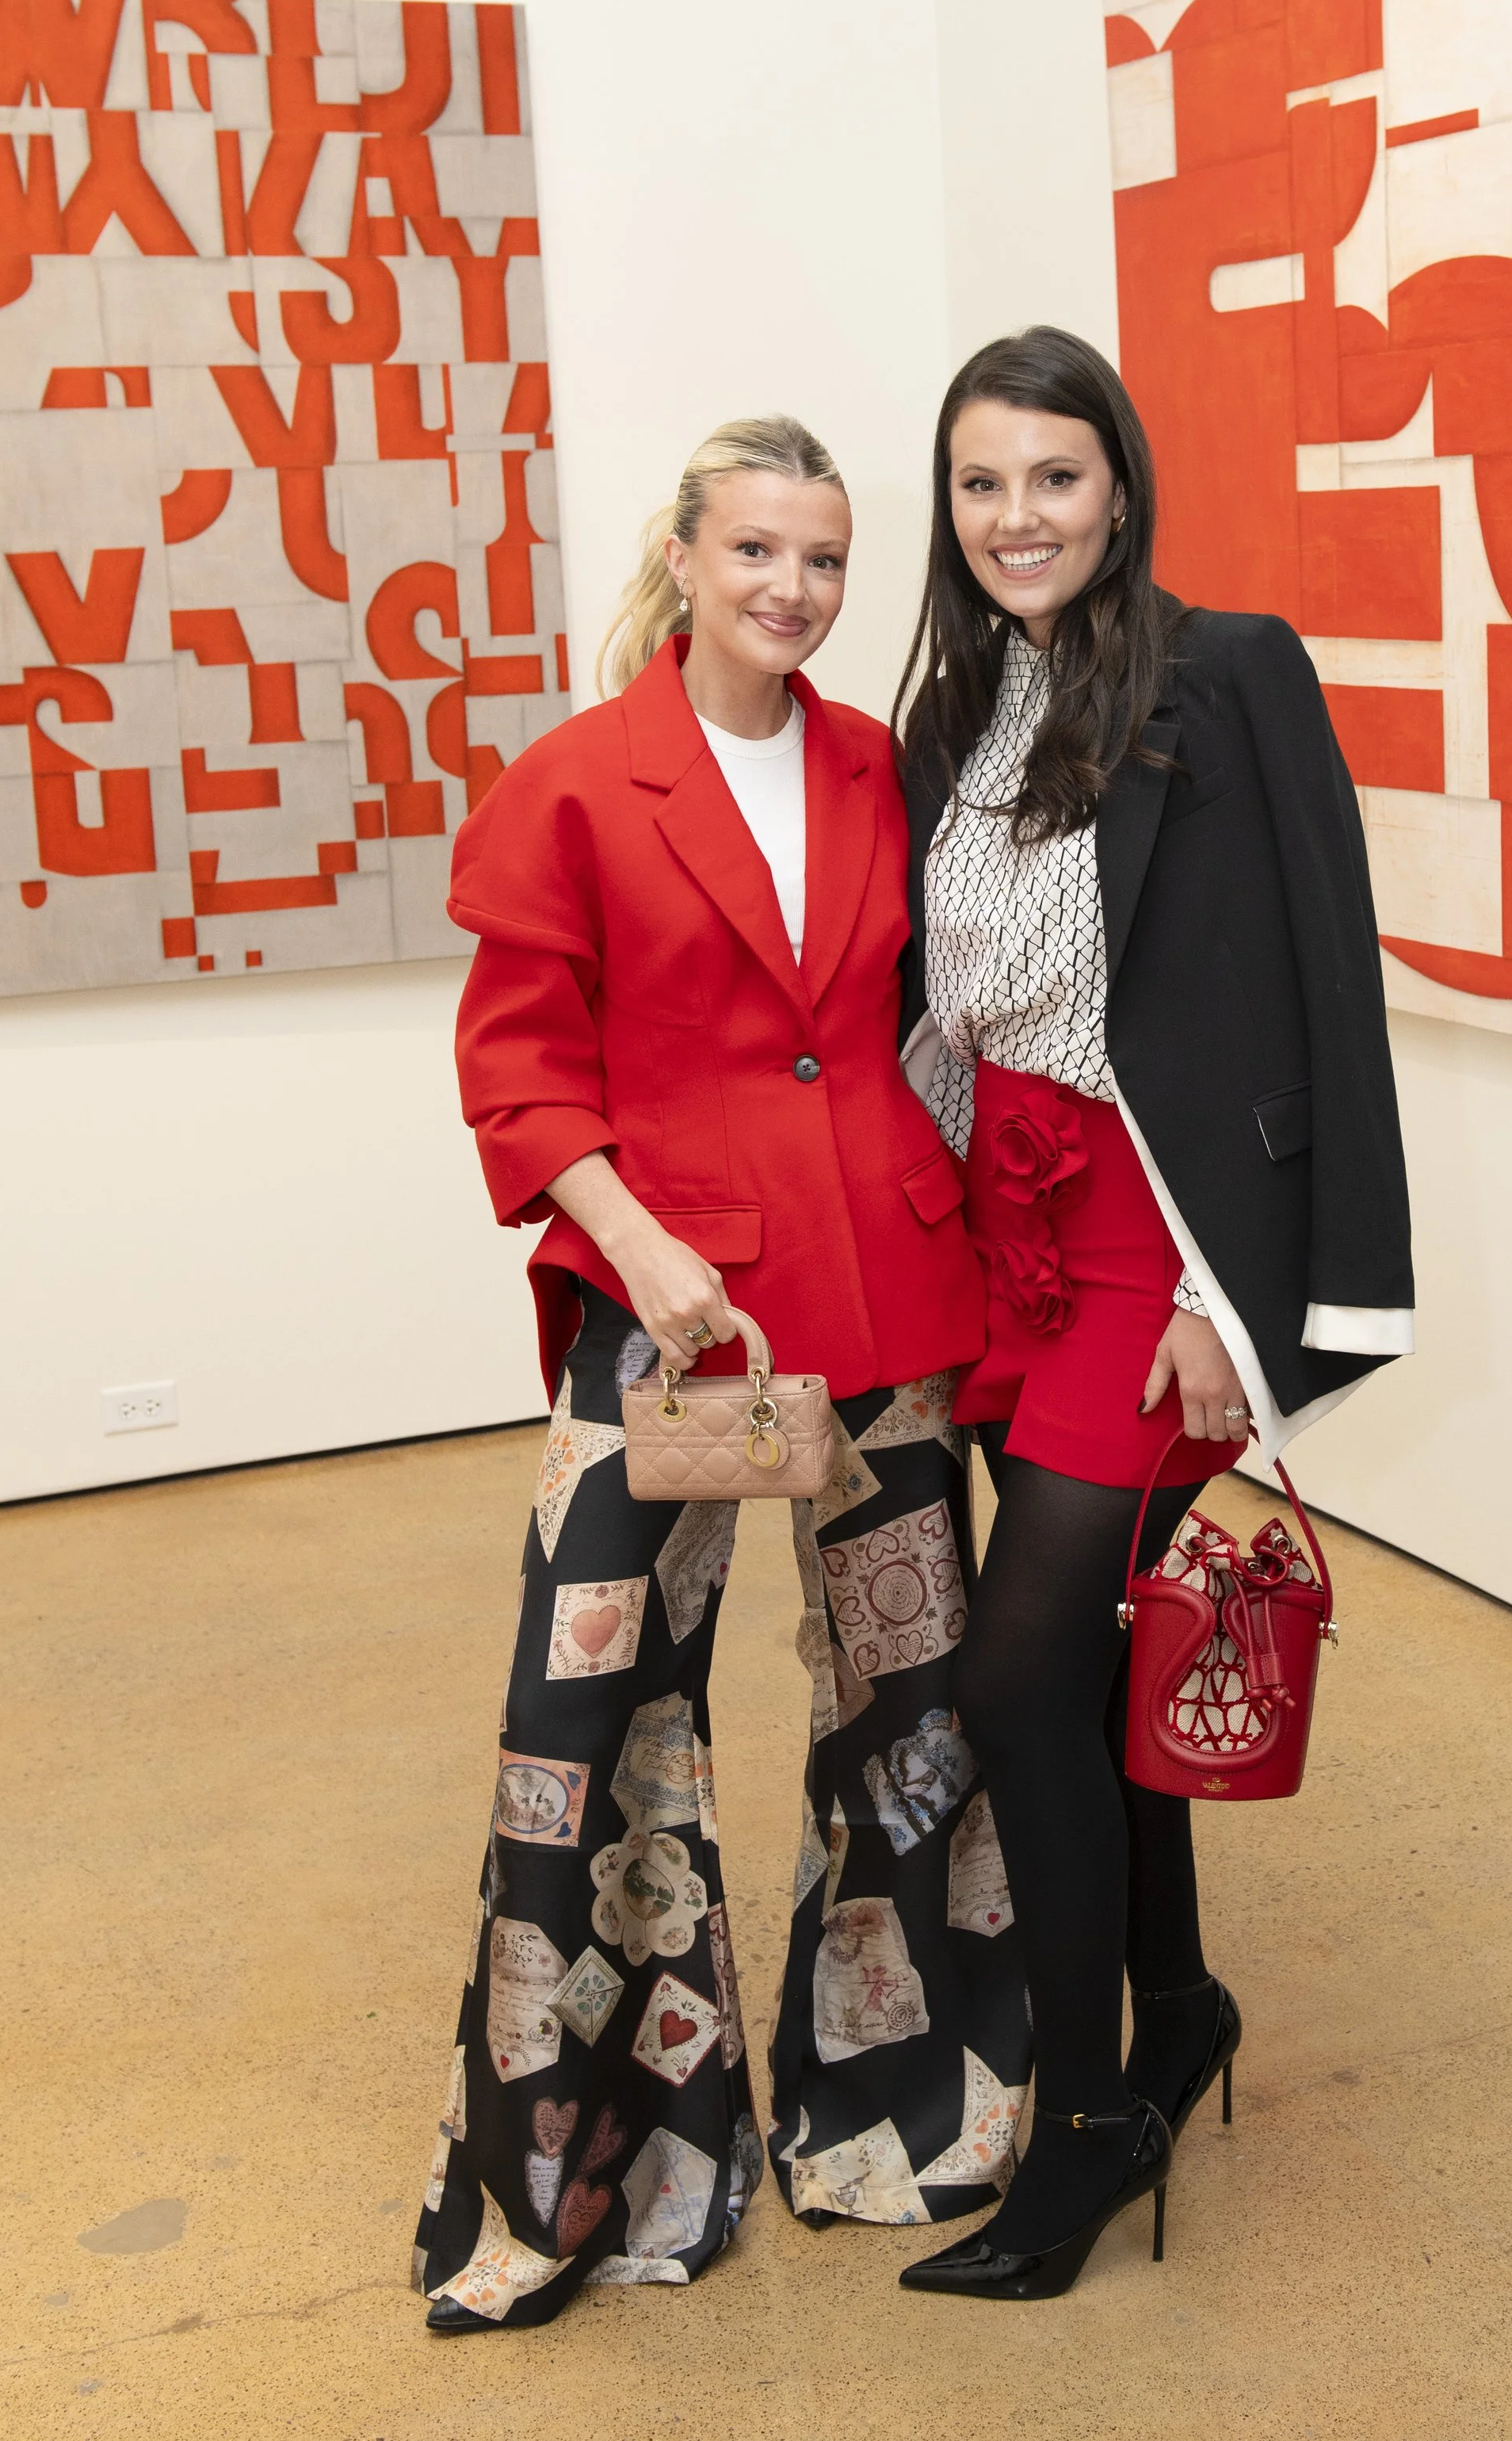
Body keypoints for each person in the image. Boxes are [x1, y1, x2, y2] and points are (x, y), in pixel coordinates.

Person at [414, 417, 1026, 2330]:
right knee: (587, 1745)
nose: (792, 589)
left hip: (887, 1306)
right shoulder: (576, 787)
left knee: (908, 1725)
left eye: (825, 559)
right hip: (672, 1323)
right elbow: (520, 1070)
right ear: (683, 555)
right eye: (756, 550)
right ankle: (596, 2177)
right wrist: (648, 1248)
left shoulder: (877, 766)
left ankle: (894, 2118)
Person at [892, 327, 1415, 2300]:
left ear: (1118, 483)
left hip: (1150, 1232)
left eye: (1052, 476)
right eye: (978, 485)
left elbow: (1317, 978)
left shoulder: (1228, 671)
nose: (1016, 519)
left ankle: (1088, 2119)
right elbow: (933, 1005)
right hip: (1002, 1233)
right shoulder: (947, 715)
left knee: (1018, 1673)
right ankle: (1177, 2004)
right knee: (1089, 1660)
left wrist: (1230, 1292)